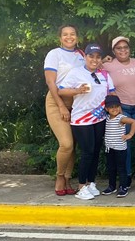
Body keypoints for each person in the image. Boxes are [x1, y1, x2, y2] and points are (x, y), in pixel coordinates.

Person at [58, 43, 115, 201]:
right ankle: (81, 186)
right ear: (85, 57)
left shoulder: (104, 74)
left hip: (99, 118)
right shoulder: (76, 72)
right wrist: (77, 90)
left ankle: (91, 182)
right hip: (82, 119)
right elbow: (61, 90)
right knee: (87, 152)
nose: (94, 60)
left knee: (96, 151)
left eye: (97, 57)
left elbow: (111, 93)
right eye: (91, 56)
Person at [102, 36, 135, 188]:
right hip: (121, 110)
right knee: (124, 143)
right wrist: (102, 60)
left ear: (129, 48)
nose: (123, 50)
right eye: (119, 48)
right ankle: (126, 176)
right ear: (113, 51)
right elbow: (91, 68)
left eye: (125, 47)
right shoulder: (108, 65)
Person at [43, 24, 85, 196]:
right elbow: (50, 82)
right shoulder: (54, 54)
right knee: (66, 144)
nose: (69, 37)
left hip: (77, 102)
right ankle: (60, 176)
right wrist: (61, 106)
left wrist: (106, 61)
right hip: (56, 101)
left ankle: (68, 179)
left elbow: (93, 68)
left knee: (73, 145)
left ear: (77, 37)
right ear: (60, 38)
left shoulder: (81, 55)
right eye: (65, 34)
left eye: (72, 34)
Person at [101, 95, 135, 198]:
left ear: (120, 107)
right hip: (109, 148)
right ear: (106, 108)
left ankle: (123, 187)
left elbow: (134, 122)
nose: (114, 109)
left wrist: (130, 134)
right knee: (111, 167)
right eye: (111, 107)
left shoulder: (121, 118)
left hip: (120, 148)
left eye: (116, 106)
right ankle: (111, 186)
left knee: (121, 168)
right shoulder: (107, 118)